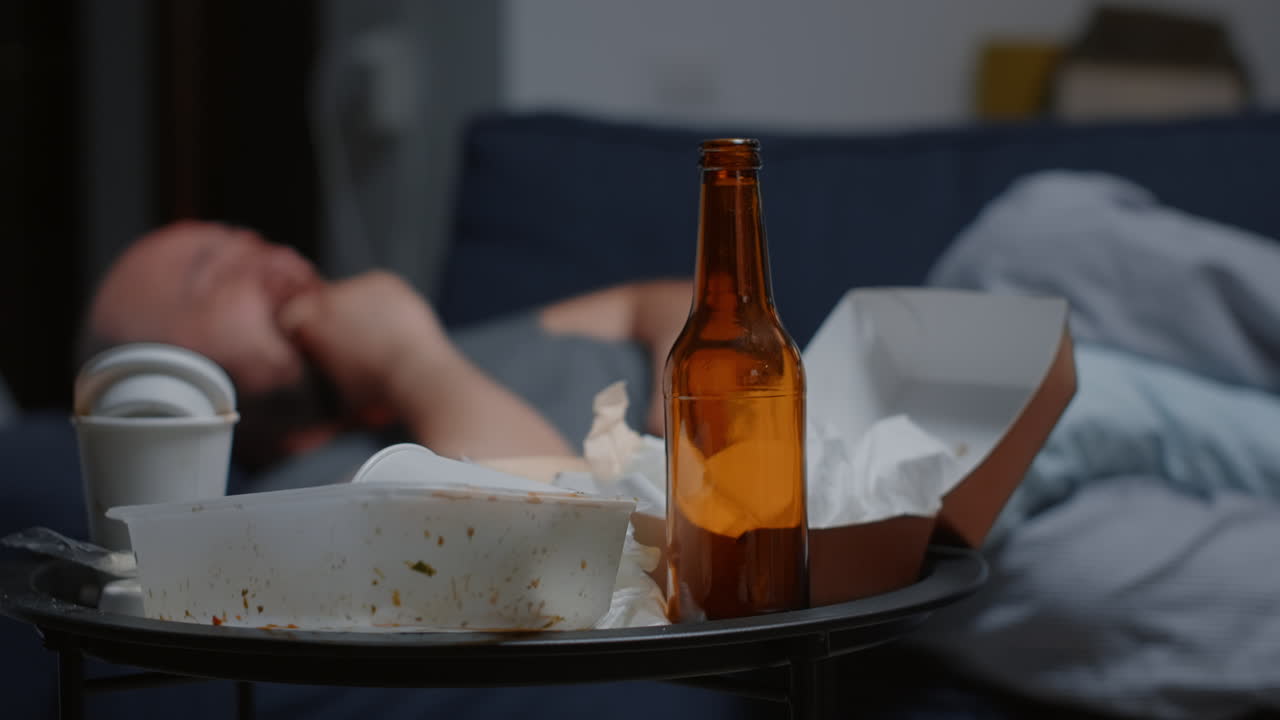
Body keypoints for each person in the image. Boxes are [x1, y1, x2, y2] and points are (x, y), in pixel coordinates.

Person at [84, 220, 691, 476]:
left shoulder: (447, 351)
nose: (273, 260)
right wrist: (407, 357)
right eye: (212, 274)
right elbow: (568, 534)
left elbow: (652, 303)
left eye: (253, 243)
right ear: (165, 390)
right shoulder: (321, 492)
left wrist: (691, 404)